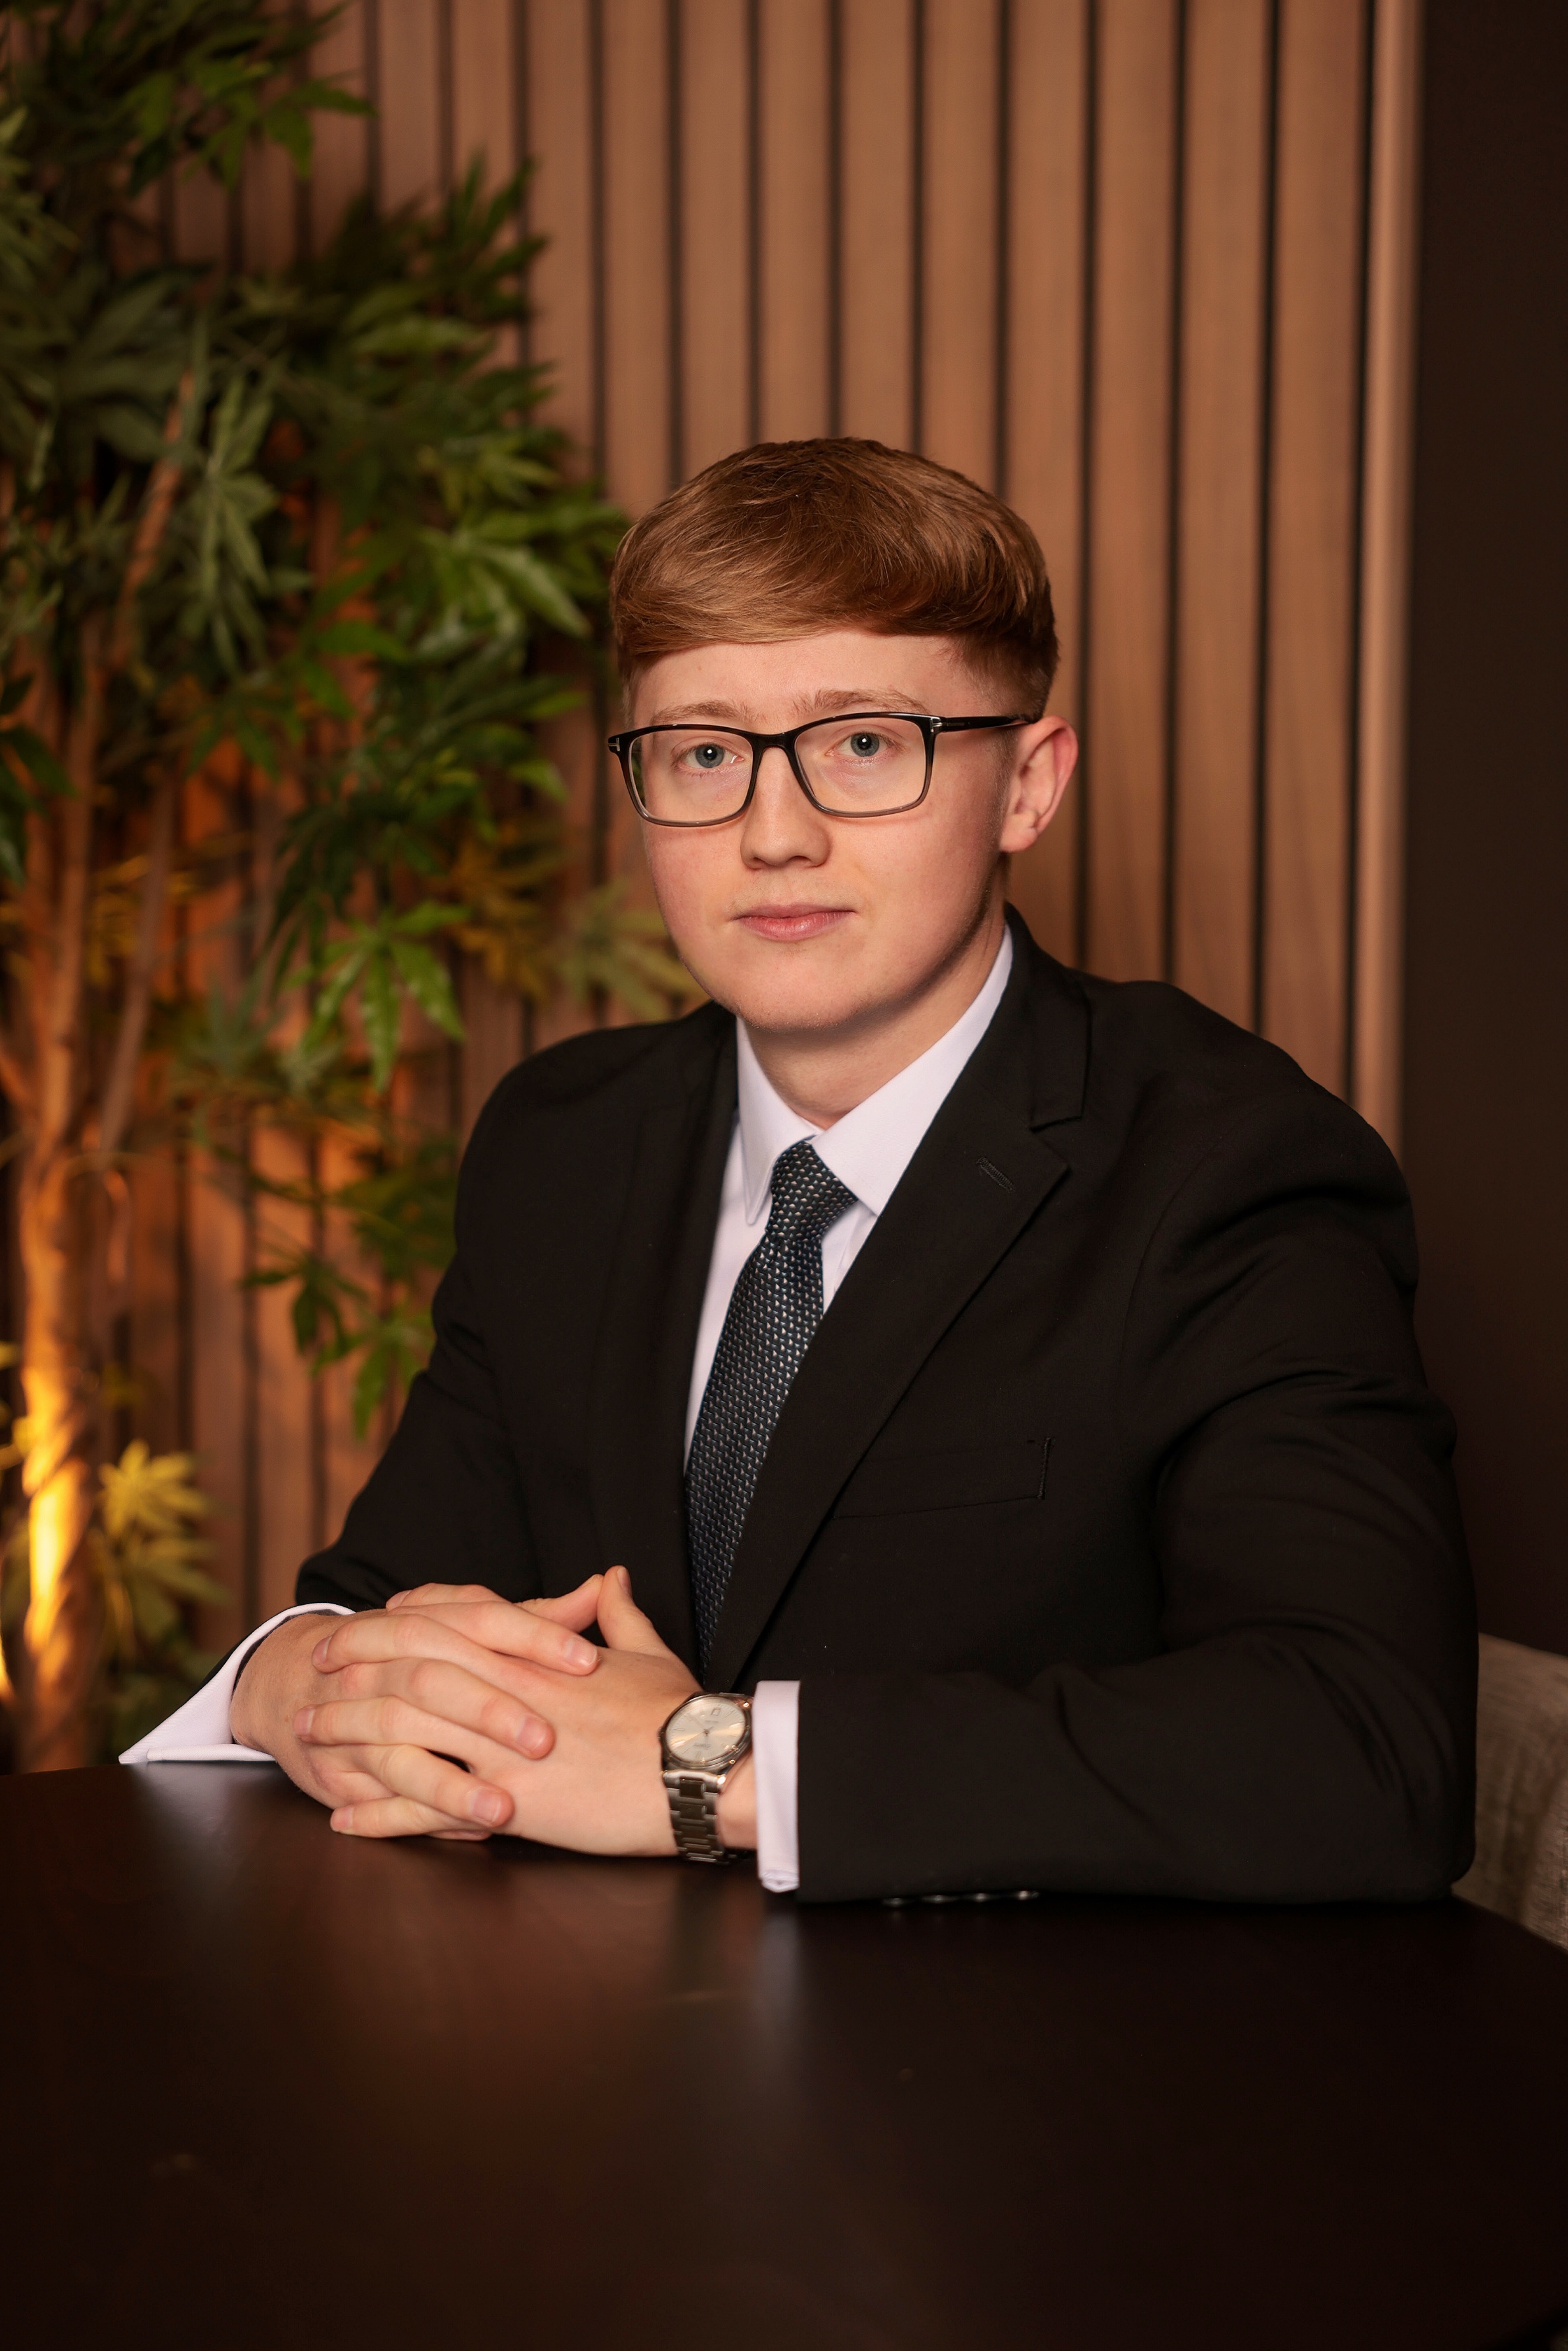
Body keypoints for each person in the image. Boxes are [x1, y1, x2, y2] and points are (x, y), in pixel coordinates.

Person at [125, 438, 1477, 1904]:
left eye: (864, 745)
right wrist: (293, 1675)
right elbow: (395, 1603)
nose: (775, 836)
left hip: (1036, 2035)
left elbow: (1365, 1752)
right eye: (705, 754)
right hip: (579, 2021)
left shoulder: (1223, 1165)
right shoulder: (563, 1142)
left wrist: (702, 1767)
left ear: (1026, 785)